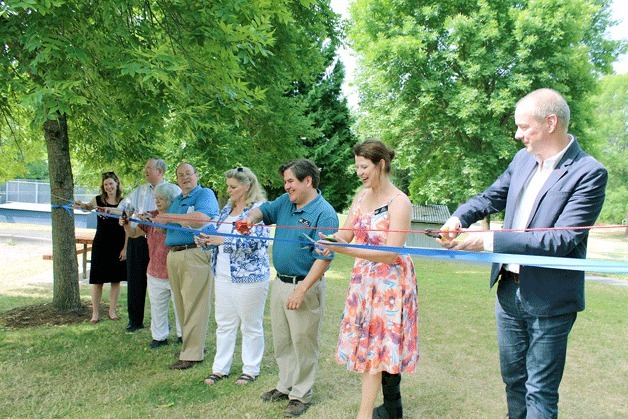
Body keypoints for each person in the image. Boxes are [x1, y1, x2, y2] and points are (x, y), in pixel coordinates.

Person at [438, 88, 607, 418]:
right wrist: (460, 217)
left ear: (550, 123)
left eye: (523, 127)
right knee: (513, 381)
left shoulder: (589, 173)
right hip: (508, 294)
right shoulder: (522, 160)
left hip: (550, 300)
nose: (517, 135)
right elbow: (490, 197)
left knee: (540, 391)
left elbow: (559, 241)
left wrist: (487, 241)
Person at [317, 140, 419, 419]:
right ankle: (385, 409)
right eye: (357, 167)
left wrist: (343, 249)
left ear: (381, 165)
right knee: (368, 347)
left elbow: (389, 253)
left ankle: (364, 415)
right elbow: (346, 233)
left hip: (390, 286)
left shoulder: (399, 202)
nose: (359, 172)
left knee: (377, 351)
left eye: (364, 167)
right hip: (364, 282)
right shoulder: (361, 197)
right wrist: (330, 240)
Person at [241, 158, 339, 417]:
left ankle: (301, 394)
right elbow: (265, 210)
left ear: (308, 180)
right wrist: (251, 219)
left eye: (290, 181)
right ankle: (285, 386)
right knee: (282, 340)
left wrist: (302, 290)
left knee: (303, 342)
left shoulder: (324, 213)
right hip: (280, 282)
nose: (286, 187)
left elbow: (324, 257)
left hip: (304, 286)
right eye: (285, 181)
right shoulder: (286, 202)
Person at [195, 167, 271, 386]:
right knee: (224, 323)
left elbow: (257, 243)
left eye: (233, 187)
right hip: (223, 275)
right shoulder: (226, 210)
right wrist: (205, 239)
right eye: (228, 186)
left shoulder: (259, 210)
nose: (228, 191)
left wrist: (223, 241)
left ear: (246, 187)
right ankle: (220, 368)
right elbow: (216, 236)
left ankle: (250, 369)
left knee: (250, 324)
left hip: (250, 278)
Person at [153, 163, 219, 370]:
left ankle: (192, 354)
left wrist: (169, 217)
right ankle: (190, 347)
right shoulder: (178, 200)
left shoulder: (204, 194)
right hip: (174, 254)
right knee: (181, 304)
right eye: (180, 175)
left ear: (196, 175)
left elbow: (200, 219)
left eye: (188, 174)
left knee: (195, 303)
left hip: (194, 252)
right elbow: (164, 229)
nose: (184, 178)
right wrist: (155, 220)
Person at [120, 182, 183, 348]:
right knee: (157, 307)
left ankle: (183, 335)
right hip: (154, 270)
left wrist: (155, 221)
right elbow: (134, 233)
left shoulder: (177, 217)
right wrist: (127, 224)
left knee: (180, 307)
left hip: (175, 270)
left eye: (162, 198)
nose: (158, 201)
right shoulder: (150, 216)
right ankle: (159, 337)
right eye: (156, 198)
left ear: (171, 200)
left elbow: (173, 231)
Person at [118, 158, 167, 333]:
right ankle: (135, 320)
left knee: (162, 283)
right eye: (145, 168)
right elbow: (122, 208)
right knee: (135, 280)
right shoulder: (139, 191)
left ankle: (161, 324)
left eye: (149, 169)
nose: (145, 171)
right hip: (138, 238)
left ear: (160, 171)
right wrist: (128, 217)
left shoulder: (171, 191)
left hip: (161, 241)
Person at [74, 172, 127, 323]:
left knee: (115, 280)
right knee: (98, 281)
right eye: (106, 185)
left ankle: (112, 311)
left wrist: (125, 248)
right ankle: (95, 314)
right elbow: (87, 207)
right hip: (101, 244)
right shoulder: (98, 200)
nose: (109, 187)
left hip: (118, 244)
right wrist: (80, 205)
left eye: (111, 183)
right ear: (103, 187)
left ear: (117, 183)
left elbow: (128, 228)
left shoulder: (124, 203)